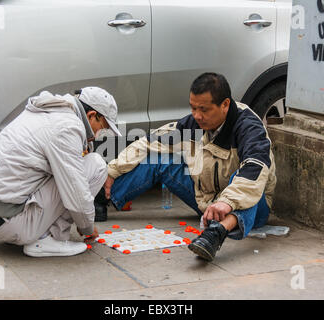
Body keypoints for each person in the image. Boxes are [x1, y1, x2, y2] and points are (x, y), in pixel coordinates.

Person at [103, 72, 276, 261]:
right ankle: (102, 199)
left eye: (203, 109)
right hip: (207, 201)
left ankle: (216, 234)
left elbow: (255, 169)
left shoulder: (248, 127)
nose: (197, 116)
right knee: (161, 160)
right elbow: (149, 142)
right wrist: (112, 170)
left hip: (251, 207)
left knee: (244, 178)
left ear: (225, 105)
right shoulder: (193, 123)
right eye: (193, 108)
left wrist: (226, 203)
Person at [0, 87, 121, 257]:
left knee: (72, 170)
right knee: (96, 165)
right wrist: (86, 227)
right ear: (92, 115)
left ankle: (34, 232)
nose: (99, 134)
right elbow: (77, 193)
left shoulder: (47, 111)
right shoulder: (67, 127)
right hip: (11, 221)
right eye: (102, 127)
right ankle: (49, 239)